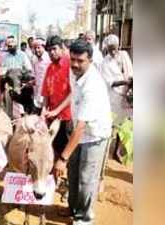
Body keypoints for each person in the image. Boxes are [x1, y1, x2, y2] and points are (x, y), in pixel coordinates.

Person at [52, 40, 112, 225]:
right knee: (73, 174)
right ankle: (73, 209)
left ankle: (84, 219)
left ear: (90, 61)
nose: (75, 64)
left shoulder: (92, 85)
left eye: (80, 60)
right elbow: (72, 94)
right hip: (80, 131)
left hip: (95, 135)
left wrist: (62, 158)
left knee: (86, 180)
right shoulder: (74, 72)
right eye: (73, 60)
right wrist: (57, 110)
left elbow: (82, 127)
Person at [41, 35, 72, 161]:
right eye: (49, 50)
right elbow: (46, 93)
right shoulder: (49, 68)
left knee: (68, 152)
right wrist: (43, 110)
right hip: (53, 117)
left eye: (54, 49)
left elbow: (73, 93)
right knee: (55, 148)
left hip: (68, 117)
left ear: (61, 48)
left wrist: (57, 110)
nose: (51, 53)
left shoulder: (70, 65)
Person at [101, 34, 133, 125]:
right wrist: (125, 82)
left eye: (115, 49)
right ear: (107, 48)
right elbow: (109, 82)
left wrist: (131, 83)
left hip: (128, 95)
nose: (113, 52)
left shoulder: (124, 55)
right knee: (116, 123)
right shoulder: (105, 63)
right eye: (110, 50)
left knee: (128, 122)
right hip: (115, 97)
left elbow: (130, 71)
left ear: (118, 46)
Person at [0, 36, 33, 119]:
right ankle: (10, 126)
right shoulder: (5, 57)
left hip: (21, 86)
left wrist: (23, 78)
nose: (10, 47)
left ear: (16, 45)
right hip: (9, 86)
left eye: (12, 45)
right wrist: (4, 74)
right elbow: (1, 71)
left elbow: (29, 69)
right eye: (8, 46)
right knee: (8, 111)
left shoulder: (23, 55)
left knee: (23, 110)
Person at [31, 38, 51, 107]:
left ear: (43, 47)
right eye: (35, 48)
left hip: (47, 92)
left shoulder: (49, 58)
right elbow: (34, 74)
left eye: (38, 48)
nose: (37, 50)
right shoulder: (34, 59)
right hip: (37, 91)